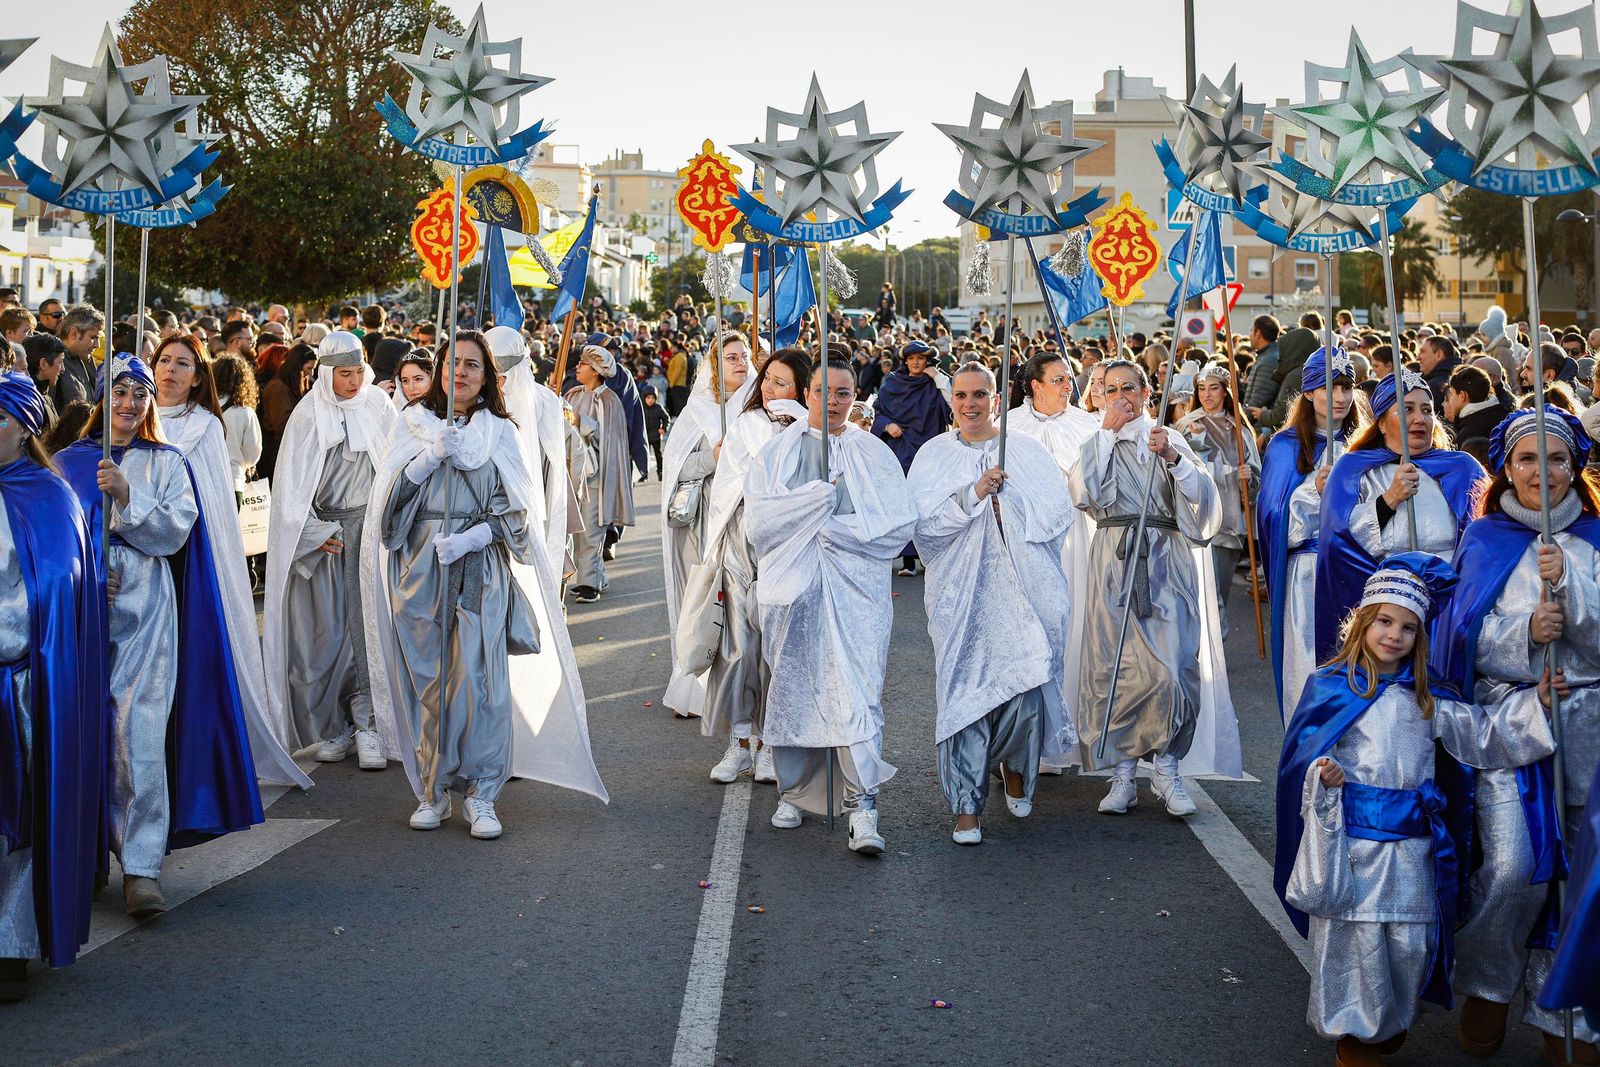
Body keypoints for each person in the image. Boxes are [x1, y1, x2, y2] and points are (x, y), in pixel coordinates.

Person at [1275, 553, 1561, 1067]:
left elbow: (1484, 737)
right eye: (1384, 621)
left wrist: (1536, 704)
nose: (1394, 635)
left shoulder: (1430, 699)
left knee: (1405, 947)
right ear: (1362, 622)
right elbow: (1304, 760)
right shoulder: (1330, 688)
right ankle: (1354, 1039)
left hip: (1412, 852)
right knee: (1356, 943)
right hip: (1356, 848)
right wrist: (1325, 776)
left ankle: (1387, 1023)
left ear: (1420, 637)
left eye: (1408, 627)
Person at [365, 330, 607, 838]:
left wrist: (476, 535)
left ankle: (483, 792)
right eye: (454, 362)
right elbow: (386, 515)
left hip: (479, 569)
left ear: (488, 376)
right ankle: (432, 790)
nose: (462, 373)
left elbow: (519, 513)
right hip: (419, 569)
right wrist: (426, 459)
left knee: (482, 684)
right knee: (428, 683)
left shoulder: (500, 431)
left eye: (473, 365)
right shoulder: (413, 424)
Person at [58, 355, 263, 917]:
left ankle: (142, 866)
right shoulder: (64, 462)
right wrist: (85, 576)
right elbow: (52, 544)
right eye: (119, 393)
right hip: (80, 614)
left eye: (139, 394)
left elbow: (176, 532)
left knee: (138, 731)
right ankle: (82, 854)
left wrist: (127, 495)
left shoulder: (168, 462)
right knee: (78, 728)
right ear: (102, 398)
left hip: (147, 610)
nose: (129, 405)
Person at [1435, 407, 1600, 1063]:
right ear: (1509, 466)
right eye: (1529, 459)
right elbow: (1460, 642)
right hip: (1510, 722)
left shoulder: (1592, 539)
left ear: (1574, 466)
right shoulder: (1483, 540)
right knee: (1512, 868)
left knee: (1582, 880)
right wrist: (1524, 637)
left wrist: (1576, 593)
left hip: (1589, 724)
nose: (1543, 472)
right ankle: (1488, 982)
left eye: (1555, 459)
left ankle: (1569, 1016)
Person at [745, 358, 914, 853]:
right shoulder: (778, 452)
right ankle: (796, 792)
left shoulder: (873, 453)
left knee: (857, 691)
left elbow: (896, 525)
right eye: (824, 391)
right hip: (794, 591)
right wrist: (811, 503)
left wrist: (837, 526)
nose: (834, 402)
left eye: (844, 393)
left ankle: (863, 804)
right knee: (797, 683)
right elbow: (760, 524)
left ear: (856, 396)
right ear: (808, 392)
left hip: (855, 592)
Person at [1068, 359, 1241, 816]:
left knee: (1175, 666)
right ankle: (1122, 776)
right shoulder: (1095, 442)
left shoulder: (1169, 438)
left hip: (1166, 561)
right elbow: (1082, 493)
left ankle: (1167, 769)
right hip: (1114, 559)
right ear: (1099, 395)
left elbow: (1203, 501)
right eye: (1110, 389)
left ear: (1146, 392)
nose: (1120, 395)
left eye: (1130, 387)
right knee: (1117, 667)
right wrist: (1105, 434)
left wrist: (1173, 459)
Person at [908, 364, 1073, 845]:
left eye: (979, 394)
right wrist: (973, 495)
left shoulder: (1023, 451)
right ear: (951, 401)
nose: (970, 404)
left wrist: (1011, 502)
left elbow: (1056, 516)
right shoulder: (934, 455)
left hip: (1022, 591)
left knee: (1023, 687)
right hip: (961, 597)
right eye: (961, 395)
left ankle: (1018, 771)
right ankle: (966, 806)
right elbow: (923, 529)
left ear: (995, 398)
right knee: (966, 697)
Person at [150, 334, 308, 790]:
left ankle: (192, 761)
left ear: (198, 377)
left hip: (187, 559)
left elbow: (211, 503)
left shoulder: (205, 427)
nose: (171, 371)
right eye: (165, 360)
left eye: (183, 364)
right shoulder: (134, 414)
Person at [0, 373, 103, 999]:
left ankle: (10, 943)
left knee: (16, 816)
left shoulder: (49, 497)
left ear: (21, 429)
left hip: (18, 681)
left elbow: (52, 593)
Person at [262, 331, 397, 771]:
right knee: (328, 631)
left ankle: (371, 724)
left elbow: (397, 469)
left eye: (360, 371)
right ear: (325, 374)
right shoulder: (307, 414)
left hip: (369, 530)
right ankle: (337, 723)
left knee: (367, 626)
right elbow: (291, 487)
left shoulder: (379, 406)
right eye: (345, 373)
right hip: (325, 536)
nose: (355, 381)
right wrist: (312, 532)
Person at [694, 348, 809, 785]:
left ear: (800, 389)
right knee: (740, 645)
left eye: (781, 383)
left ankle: (773, 739)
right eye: (767, 379)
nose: (768, 389)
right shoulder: (745, 424)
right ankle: (741, 739)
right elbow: (733, 482)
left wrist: (800, 426)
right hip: (743, 539)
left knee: (779, 646)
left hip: (787, 545)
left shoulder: (811, 429)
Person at [1316, 368, 1485, 662]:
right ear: (1381, 423)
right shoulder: (1353, 469)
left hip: (1448, 608)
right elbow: (1337, 544)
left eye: (1427, 410)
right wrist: (1389, 499)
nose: (1420, 418)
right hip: (1384, 615)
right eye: (1406, 410)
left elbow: (1482, 543)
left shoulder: (1463, 468)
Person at [1258, 349, 1364, 723]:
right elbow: (1273, 522)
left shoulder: (1366, 444)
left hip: (1360, 572)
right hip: (1308, 575)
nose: (1339, 397)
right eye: (1328, 387)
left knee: (1358, 679)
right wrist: (1312, 491)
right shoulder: (1286, 446)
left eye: (1346, 387)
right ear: (1308, 392)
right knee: (1310, 676)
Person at [1009, 350, 1099, 774]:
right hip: (1025, 542)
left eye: (1069, 379)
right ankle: (1026, 737)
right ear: (1035, 385)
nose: (1069, 386)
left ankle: (1071, 732)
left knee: (1074, 627)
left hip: (1075, 541)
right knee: (1029, 630)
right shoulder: (1009, 426)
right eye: (1060, 379)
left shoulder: (1087, 425)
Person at [661, 332, 751, 719]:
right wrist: (715, 457)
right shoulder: (699, 410)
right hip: (701, 524)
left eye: (745, 356)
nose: (740, 362)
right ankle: (694, 685)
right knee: (701, 601)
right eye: (731, 356)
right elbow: (676, 467)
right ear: (714, 364)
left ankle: (738, 686)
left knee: (741, 607)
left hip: (743, 522)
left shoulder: (757, 409)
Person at [1177, 362, 1260, 633]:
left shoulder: (1239, 428)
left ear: (1225, 391)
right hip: (1193, 516)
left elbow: (1255, 477)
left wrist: (1249, 478)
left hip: (1228, 520)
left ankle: (1217, 645)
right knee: (1197, 590)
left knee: (1219, 593)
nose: (1207, 394)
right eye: (1201, 389)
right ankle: (1200, 645)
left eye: (1213, 388)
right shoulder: (1186, 426)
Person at [486, 326, 569, 579]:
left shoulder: (546, 401)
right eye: (494, 375)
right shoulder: (471, 402)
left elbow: (555, 462)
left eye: (504, 376)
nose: (499, 384)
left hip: (535, 503)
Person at [871, 340, 953, 576]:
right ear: (905, 361)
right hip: (902, 450)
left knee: (930, 505)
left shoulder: (935, 383)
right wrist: (888, 425)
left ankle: (929, 556)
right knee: (904, 504)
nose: (916, 362)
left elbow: (953, 407)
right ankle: (908, 561)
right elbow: (876, 412)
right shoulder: (892, 384)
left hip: (931, 451)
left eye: (921, 358)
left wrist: (938, 377)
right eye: (912, 358)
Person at [565, 345, 635, 603]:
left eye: (583, 365)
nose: (577, 368)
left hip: (597, 477)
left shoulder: (610, 401)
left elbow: (610, 440)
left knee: (592, 532)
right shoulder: (572, 394)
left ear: (595, 371)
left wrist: (581, 423)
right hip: (573, 474)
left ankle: (589, 583)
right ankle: (595, 576)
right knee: (576, 530)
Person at [211, 353, 263, 497]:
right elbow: (252, 454)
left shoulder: (202, 407)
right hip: (233, 479)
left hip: (204, 480)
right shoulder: (245, 412)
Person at [51, 305, 103, 412]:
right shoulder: (53, 361)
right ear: (74, 333)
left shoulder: (83, 358)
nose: (97, 345)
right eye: (93, 338)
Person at [642, 386, 668, 480]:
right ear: (644, 398)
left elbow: (666, 418)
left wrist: (664, 428)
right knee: (644, 455)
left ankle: (660, 471)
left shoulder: (658, 408)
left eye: (653, 398)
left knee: (658, 454)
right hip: (645, 436)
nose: (651, 400)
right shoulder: (641, 408)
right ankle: (644, 474)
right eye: (648, 398)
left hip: (656, 436)